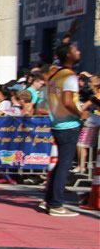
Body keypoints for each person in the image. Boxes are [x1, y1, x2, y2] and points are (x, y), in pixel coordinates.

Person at [41, 43, 84, 216]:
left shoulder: (54, 74)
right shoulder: (70, 77)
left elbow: (59, 51)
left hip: (56, 124)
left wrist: (70, 34)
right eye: (75, 50)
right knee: (64, 165)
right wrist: (80, 114)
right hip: (69, 125)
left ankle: (49, 200)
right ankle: (57, 204)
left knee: (60, 164)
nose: (78, 52)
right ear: (68, 55)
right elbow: (67, 101)